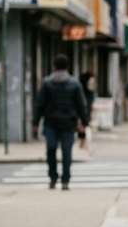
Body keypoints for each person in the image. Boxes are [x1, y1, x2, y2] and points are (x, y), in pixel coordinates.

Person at [33, 53, 88, 190]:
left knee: (51, 151)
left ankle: (53, 177)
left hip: (51, 123)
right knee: (66, 152)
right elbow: (81, 105)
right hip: (68, 123)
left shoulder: (47, 82)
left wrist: (35, 122)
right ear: (67, 66)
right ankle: (65, 180)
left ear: (54, 66)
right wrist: (84, 122)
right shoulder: (74, 83)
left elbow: (40, 104)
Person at [78, 73, 97, 152]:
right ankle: (83, 142)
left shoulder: (88, 90)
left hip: (86, 108)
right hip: (84, 108)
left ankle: (83, 142)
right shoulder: (82, 89)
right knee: (84, 125)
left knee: (84, 124)